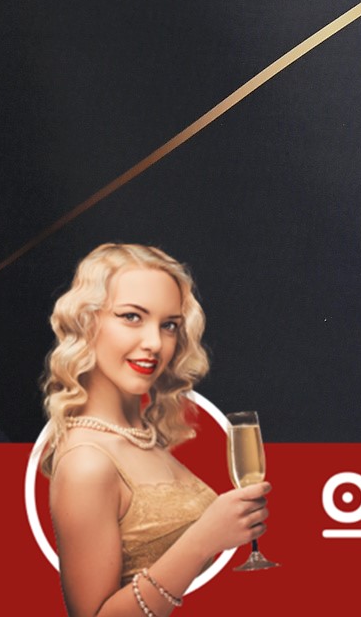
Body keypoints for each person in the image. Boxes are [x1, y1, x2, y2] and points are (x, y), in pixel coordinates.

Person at [41, 244, 269, 616]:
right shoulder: (87, 463)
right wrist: (202, 540)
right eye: (132, 317)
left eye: (169, 326)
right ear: (86, 321)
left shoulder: (144, 437)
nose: (154, 344)